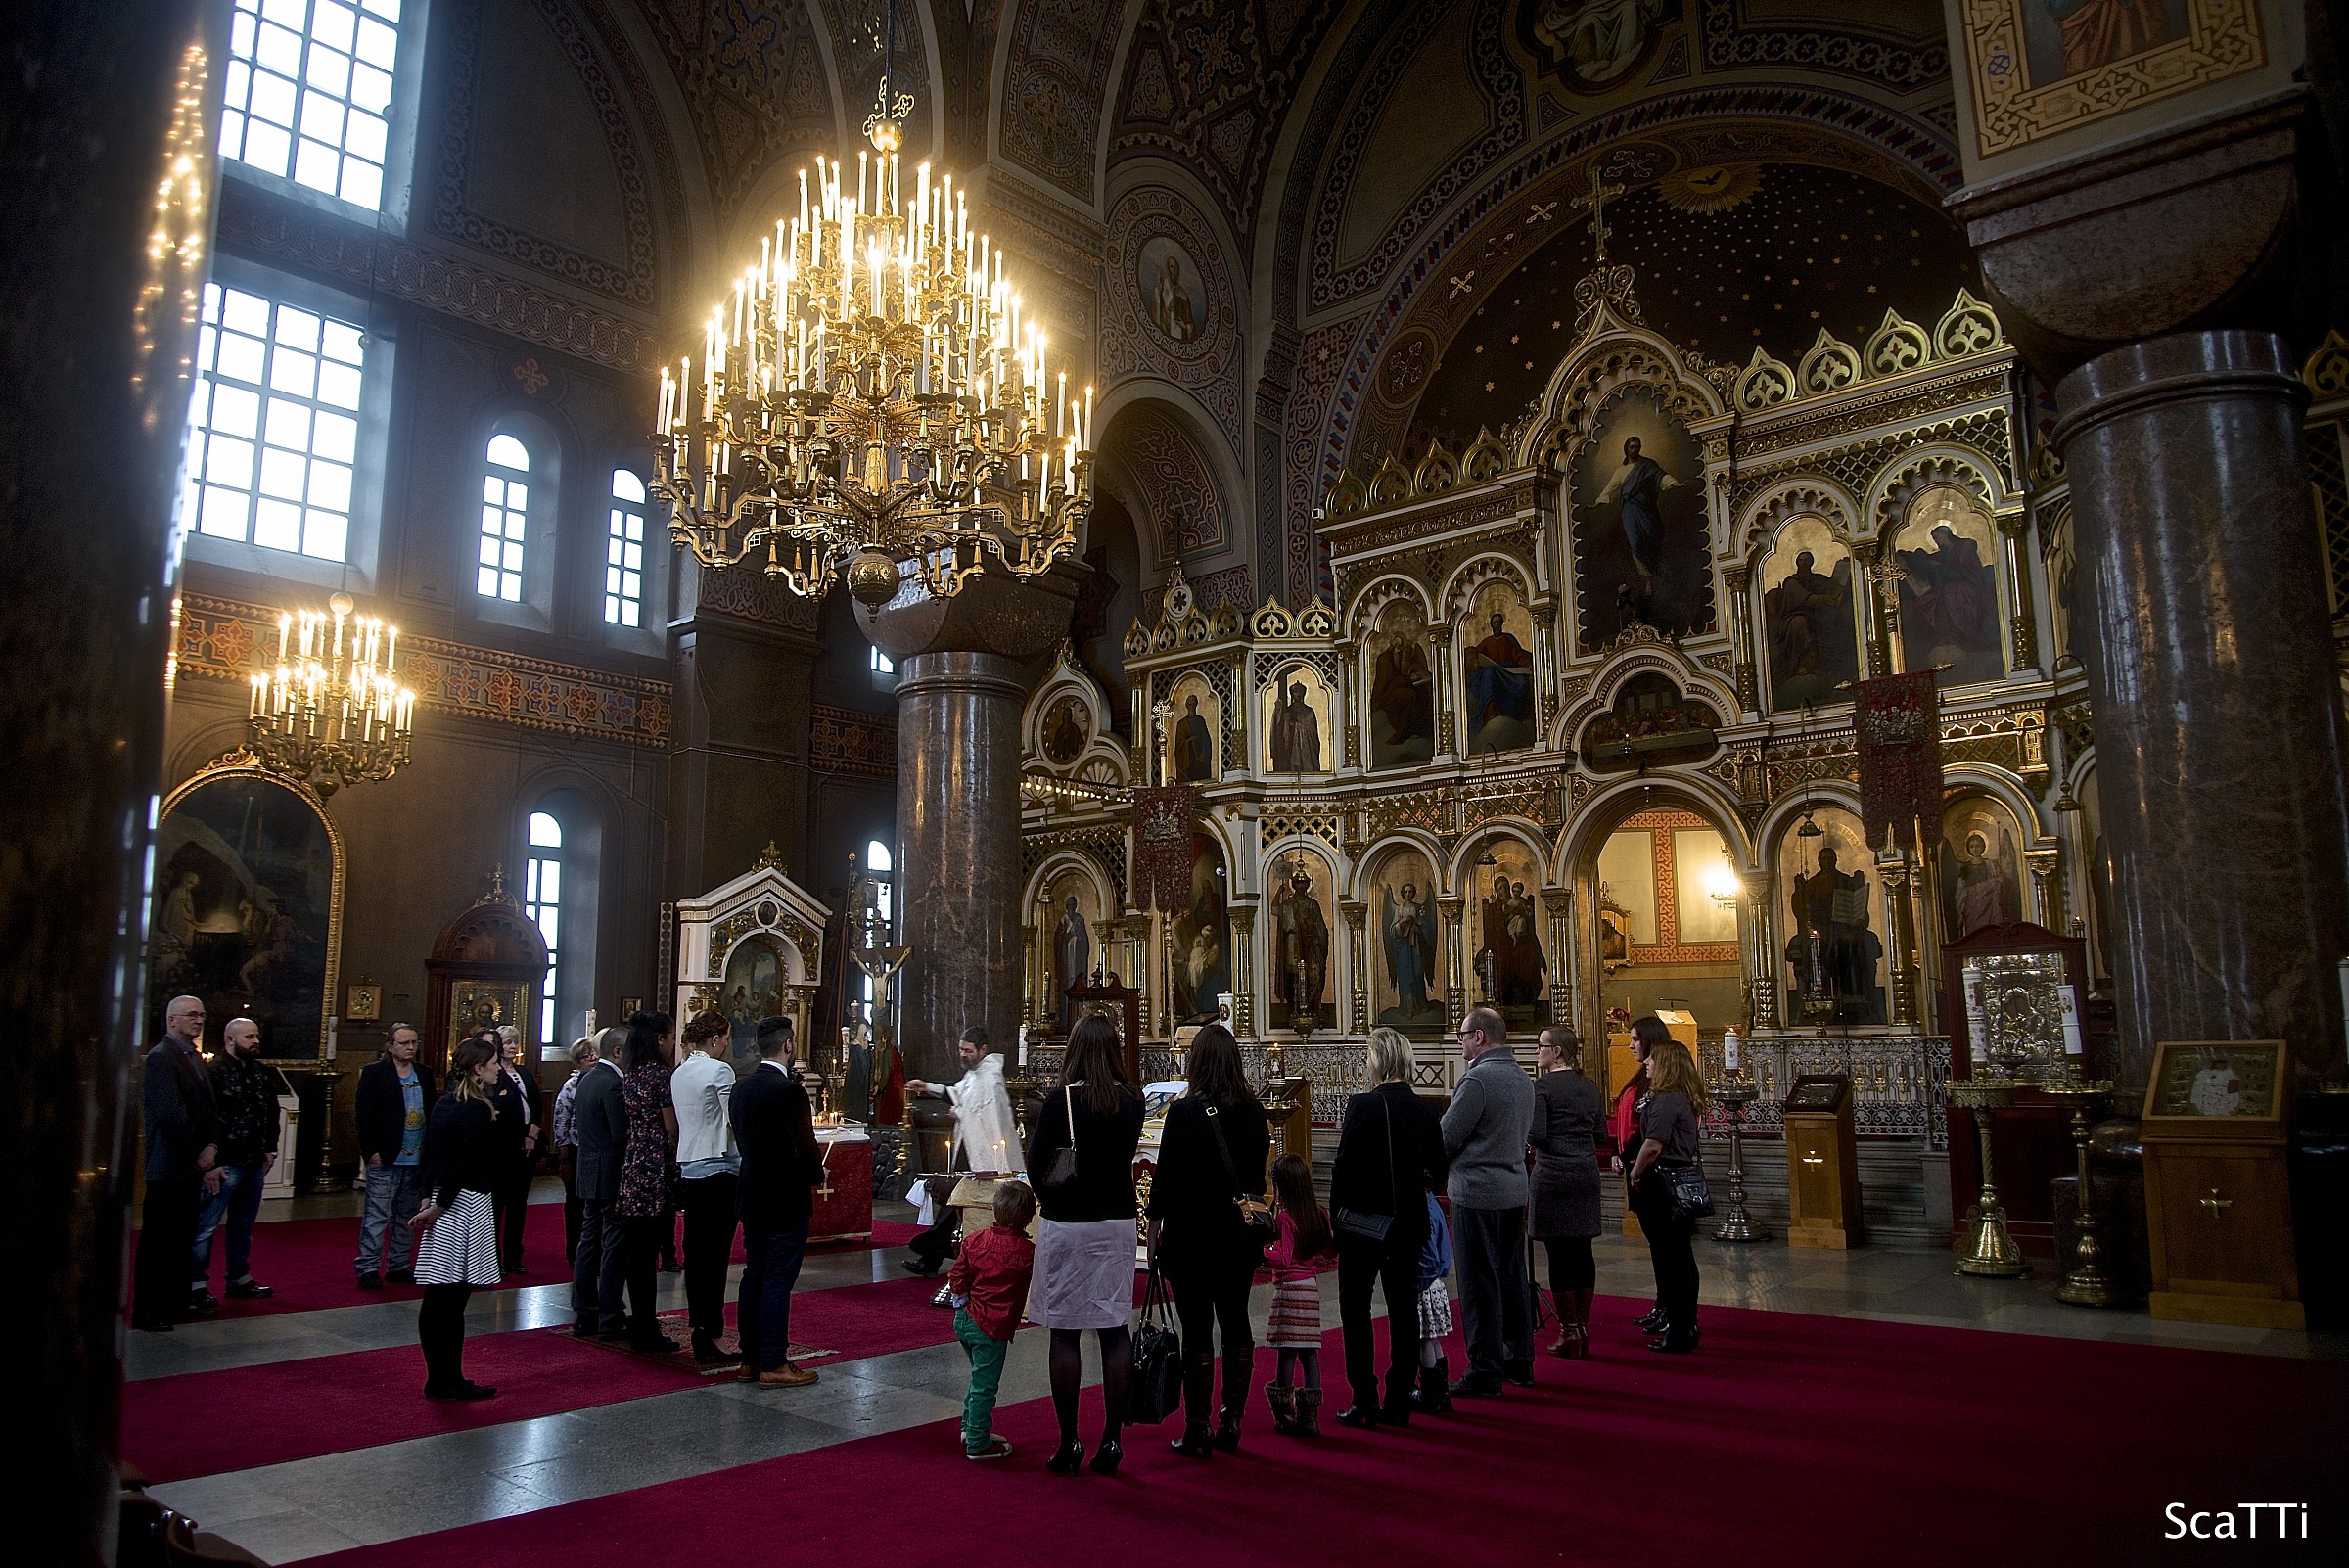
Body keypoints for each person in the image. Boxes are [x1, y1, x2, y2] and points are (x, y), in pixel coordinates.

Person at [1025, 1012, 1145, 1475]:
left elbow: (1038, 1167)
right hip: (1115, 1222)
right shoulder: (1132, 1102)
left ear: (1074, 1050)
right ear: (1114, 1049)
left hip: (1069, 1223)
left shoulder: (1061, 1103)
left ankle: (1070, 1441)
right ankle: (1112, 1441)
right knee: (1115, 1329)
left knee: (1066, 1332)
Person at [1146, 1022, 1270, 1457]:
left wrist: (1154, 1231)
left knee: (1197, 1328)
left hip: (1192, 1237)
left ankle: (1197, 1426)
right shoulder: (1255, 1113)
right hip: (1237, 1236)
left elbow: (1164, 1182)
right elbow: (1256, 1179)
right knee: (1236, 1320)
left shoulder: (1183, 1113)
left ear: (1196, 1063)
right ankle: (1232, 1419)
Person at [1329, 1026, 1447, 1429]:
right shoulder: (1424, 1110)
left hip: (1363, 1226)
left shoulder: (1362, 1106)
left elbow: (1343, 1169)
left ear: (1377, 1061)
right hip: (1409, 1224)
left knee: (1356, 1310)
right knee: (1403, 1310)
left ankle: (1364, 1397)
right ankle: (1398, 1400)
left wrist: (1336, 1221)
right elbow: (1438, 1168)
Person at [1441, 1006, 1536, 1398]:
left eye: (1463, 1034)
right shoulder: (1523, 1078)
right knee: (1512, 1276)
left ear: (1480, 1037)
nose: (1460, 1041)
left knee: (1479, 1282)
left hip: (1478, 1192)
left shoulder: (1477, 1080)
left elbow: (1446, 1136)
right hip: (1514, 1190)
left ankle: (1484, 1369)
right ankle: (1520, 1359)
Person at [731, 1015, 826, 1386]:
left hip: (752, 1193)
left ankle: (749, 1359)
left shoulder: (741, 1088)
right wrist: (818, 1174)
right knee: (777, 1279)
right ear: (789, 1045)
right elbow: (804, 1146)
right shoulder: (789, 1092)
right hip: (785, 1198)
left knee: (754, 1273)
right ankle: (773, 1362)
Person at [412, 1037, 505, 1400]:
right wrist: (440, 1203)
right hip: (463, 1203)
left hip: (444, 1197)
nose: (499, 1067)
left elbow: (433, 1156)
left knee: (440, 1295)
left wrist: (429, 1197)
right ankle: (446, 1379)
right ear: (478, 1069)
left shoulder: (445, 1103)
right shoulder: (478, 1109)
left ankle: (441, 1376)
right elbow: (463, 1162)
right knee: (451, 1297)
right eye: (493, 1062)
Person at [902, 1025, 1022, 1277]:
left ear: (983, 1050)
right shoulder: (975, 1075)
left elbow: (986, 1116)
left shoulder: (990, 1079)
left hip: (985, 1153)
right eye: (960, 1050)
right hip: (968, 1147)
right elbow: (957, 1094)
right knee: (953, 1204)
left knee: (958, 1205)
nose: (963, 1055)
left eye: (968, 1051)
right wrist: (926, 1086)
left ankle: (930, 1250)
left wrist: (960, 1112)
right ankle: (931, 1256)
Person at [135, 995, 219, 1331]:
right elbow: (171, 1113)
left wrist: (212, 1145)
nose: (198, 1021)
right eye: (191, 1016)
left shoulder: (193, 1056)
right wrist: (198, 1152)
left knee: (183, 1237)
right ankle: (148, 1308)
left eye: (201, 1015)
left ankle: (176, 1299)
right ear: (172, 1020)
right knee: (159, 1239)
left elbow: (209, 1109)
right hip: (169, 1164)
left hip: (191, 1165)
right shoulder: (161, 1058)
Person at [1626, 1032, 1708, 1354]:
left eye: (1652, 1059)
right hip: (1677, 1177)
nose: (1646, 1062)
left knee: (1673, 1258)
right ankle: (1684, 1324)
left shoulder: (1666, 1100)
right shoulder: (1678, 1097)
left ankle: (1681, 1328)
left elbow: (1653, 1144)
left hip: (1664, 1183)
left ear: (1666, 1066)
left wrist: (1635, 1173)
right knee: (1679, 1256)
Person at [189, 1016, 280, 1304]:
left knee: (242, 1225)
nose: (256, 1042)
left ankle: (239, 1278)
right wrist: (209, 1163)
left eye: (256, 1036)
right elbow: (203, 1118)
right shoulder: (213, 1073)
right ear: (230, 1040)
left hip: (253, 1160)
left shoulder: (260, 1072)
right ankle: (195, 1283)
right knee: (205, 1226)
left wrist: (270, 1148)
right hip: (224, 1162)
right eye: (249, 1037)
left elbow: (271, 1111)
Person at [948, 1180, 1038, 1462]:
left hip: (964, 1319)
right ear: (1029, 1217)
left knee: (978, 1378)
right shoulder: (1025, 1252)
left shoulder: (975, 1240)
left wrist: (962, 1299)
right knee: (985, 1385)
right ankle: (977, 1441)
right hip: (992, 1327)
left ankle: (968, 1427)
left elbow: (957, 1274)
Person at [1529, 1027, 1604, 1359]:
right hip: (1586, 1172)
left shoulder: (1542, 1087)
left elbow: (1537, 1134)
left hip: (1554, 1175)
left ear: (1557, 1051)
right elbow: (1601, 1134)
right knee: (1583, 1251)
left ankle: (1569, 1331)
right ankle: (1583, 1328)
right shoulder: (1589, 1086)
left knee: (1559, 1255)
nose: (1537, 1052)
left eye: (1541, 1046)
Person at [671, 1009, 741, 1363]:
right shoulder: (718, 1069)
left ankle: (700, 1327)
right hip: (720, 1169)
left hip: (691, 1167)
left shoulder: (680, 1071)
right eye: (726, 1038)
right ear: (715, 1040)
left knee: (696, 1255)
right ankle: (712, 1334)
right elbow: (735, 1118)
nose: (728, 1045)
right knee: (714, 1257)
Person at [615, 1012, 679, 1353]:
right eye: (670, 1037)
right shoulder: (659, 1075)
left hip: (634, 1159)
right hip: (655, 1162)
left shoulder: (632, 1074)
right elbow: (670, 1126)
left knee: (637, 1252)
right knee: (650, 1247)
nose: (672, 1044)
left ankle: (640, 1320)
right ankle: (645, 1326)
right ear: (658, 1040)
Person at [353, 1023, 433, 1288]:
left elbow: (430, 1113)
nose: (410, 1048)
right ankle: (368, 1267)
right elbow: (363, 1115)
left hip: (416, 1156)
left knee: (407, 1214)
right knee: (377, 1214)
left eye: (414, 1043)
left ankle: (399, 1264)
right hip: (386, 1155)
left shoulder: (424, 1073)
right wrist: (370, 1151)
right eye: (404, 1043)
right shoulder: (376, 1074)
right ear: (390, 1046)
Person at [1262, 1153, 1330, 1438]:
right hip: (1310, 1289)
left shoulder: (1287, 1219)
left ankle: (1285, 1413)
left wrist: (1260, 1251)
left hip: (1290, 1291)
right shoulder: (1318, 1213)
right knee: (1310, 1354)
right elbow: (1327, 1251)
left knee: (1287, 1353)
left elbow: (1283, 1258)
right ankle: (1310, 1416)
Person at [570, 1025, 630, 1340]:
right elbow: (621, 1135)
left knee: (589, 1243)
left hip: (589, 1168)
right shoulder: (612, 1085)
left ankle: (584, 1312)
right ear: (617, 1052)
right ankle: (610, 1316)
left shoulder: (587, 1079)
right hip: (610, 1172)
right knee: (612, 1246)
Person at [490, 1024, 543, 1275]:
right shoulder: (493, 1074)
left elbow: (536, 1104)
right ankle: (492, 1257)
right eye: (507, 1042)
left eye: (515, 1042)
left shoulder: (524, 1072)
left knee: (518, 1204)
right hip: (503, 1147)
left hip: (526, 1146)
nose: (512, 1047)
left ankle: (513, 1256)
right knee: (497, 1204)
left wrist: (532, 1132)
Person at [1594, 433, 1681, 579]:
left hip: (1647, 508)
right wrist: (1598, 503)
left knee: (1653, 536)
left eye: (1637, 447)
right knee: (1635, 543)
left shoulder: (1648, 465)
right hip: (1629, 510)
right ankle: (1647, 577)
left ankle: (1657, 571)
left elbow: (1660, 476)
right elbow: (1610, 489)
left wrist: (1673, 483)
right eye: (1632, 447)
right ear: (1626, 449)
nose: (1635, 450)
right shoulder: (1621, 471)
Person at [549, 1035, 598, 1264]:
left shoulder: (603, 1081)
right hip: (576, 1150)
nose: (592, 1059)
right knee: (575, 1203)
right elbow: (562, 1121)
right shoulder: (571, 1086)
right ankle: (574, 1249)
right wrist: (564, 1157)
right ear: (578, 1061)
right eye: (587, 1056)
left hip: (596, 1150)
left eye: (594, 1054)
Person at [1410, 1188, 1455, 1414]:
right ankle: (1442, 1393)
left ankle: (1429, 1395)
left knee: (1425, 1341)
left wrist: (1418, 1283)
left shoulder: (1422, 1210)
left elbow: (1428, 1255)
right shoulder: (1434, 1205)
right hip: (1436, 1281)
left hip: (1424, 1284)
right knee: (1434, 1339)